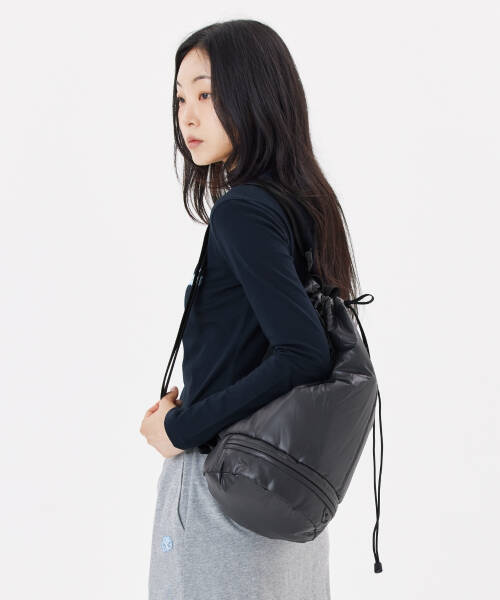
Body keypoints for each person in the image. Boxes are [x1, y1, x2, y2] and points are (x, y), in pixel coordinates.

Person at [140, 19, 361, 600]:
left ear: (256, 94)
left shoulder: (243, 210)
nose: (188, 117)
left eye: (207, 94)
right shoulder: (307, 205)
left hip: (223, 496)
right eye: (180, 98)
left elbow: (302, 353)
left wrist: (180, 428)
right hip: (284, 496)